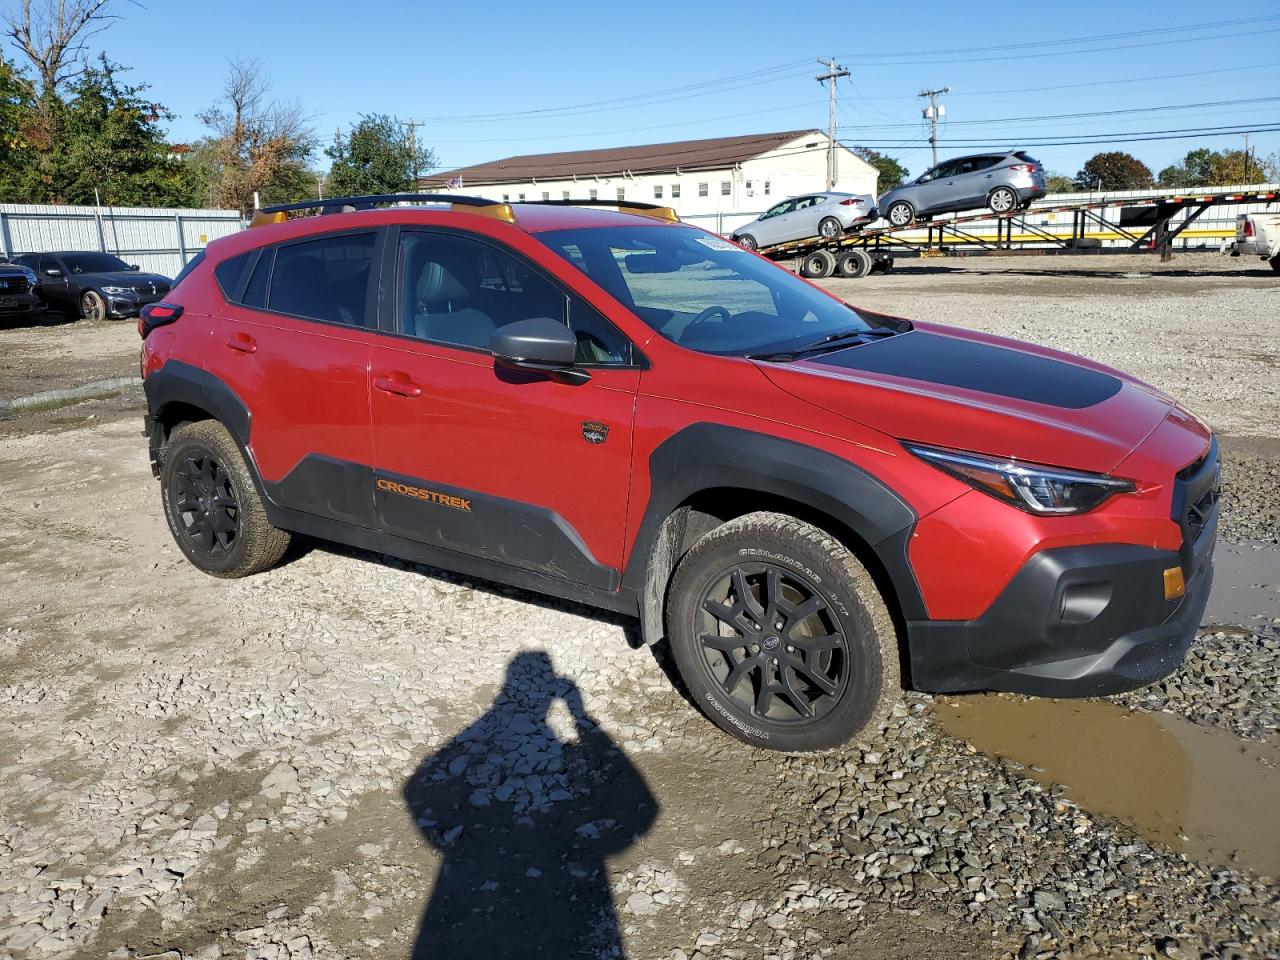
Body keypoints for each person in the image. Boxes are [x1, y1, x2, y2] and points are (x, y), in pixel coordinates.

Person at [405, 650, 658, 959]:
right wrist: (580, 718)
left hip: (471, 891)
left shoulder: (486, 730)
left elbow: (417, 785)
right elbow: (645, 806)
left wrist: (451, 847)